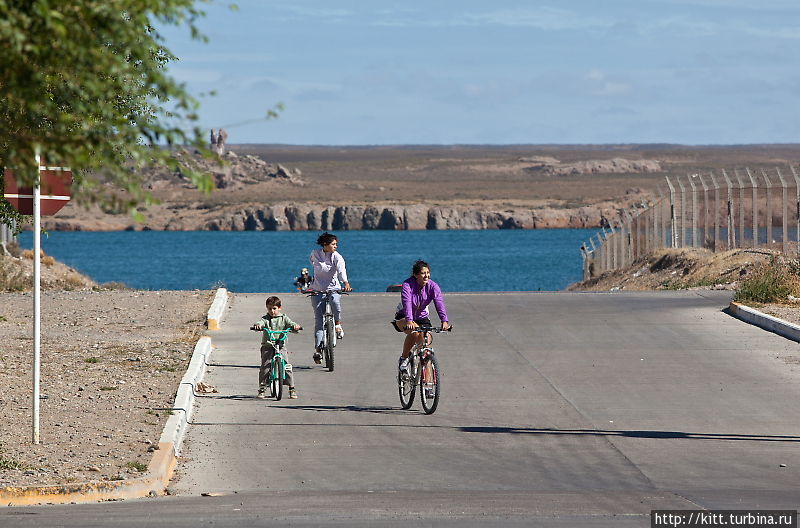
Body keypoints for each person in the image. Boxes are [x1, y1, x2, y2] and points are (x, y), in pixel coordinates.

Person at [392, 260, 451, 373]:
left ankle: (428, 386)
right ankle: (404, 359)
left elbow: (439, 303)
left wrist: (444, 321)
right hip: (404, 316)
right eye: (423, 273)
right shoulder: (408, 285)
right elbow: (407, 302)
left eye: (428, 272)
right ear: (416, 275)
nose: (426, 275)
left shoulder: (433, 286)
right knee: (415, 332)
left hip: (422, 317)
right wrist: (409, 320)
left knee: (426, 350)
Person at [308, 232, 352, 364]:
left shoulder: (337, 257)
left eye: (336, 244)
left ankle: (338, 325)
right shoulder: (315, 254)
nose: (335, 246)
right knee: (319, 321)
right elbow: (313, 264)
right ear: (325, 245)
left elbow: (341, 270)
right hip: (317, 289)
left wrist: (346, 283)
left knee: (335, 301)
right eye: (333, 244)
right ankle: (318, 351)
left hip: (333, 288)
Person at [251, 296, 302, 399]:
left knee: (286, 366)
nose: (272, 311)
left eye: (274, 308)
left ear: (279, 308)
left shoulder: (284, 318)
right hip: (268, 346)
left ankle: (291, 388)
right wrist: (258, 325)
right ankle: (262, 388)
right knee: (265, 367)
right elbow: (261, 322)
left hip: (281, 345)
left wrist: (295, 326)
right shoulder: (265, 319)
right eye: (270, 309)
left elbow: (291, 324)